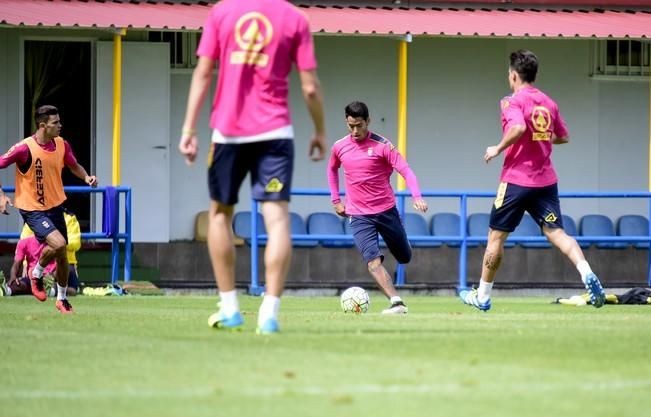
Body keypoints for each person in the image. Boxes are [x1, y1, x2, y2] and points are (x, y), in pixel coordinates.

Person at [178, 0, 327, 334]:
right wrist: (320, 131)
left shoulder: (221, 12)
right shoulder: (295, 18)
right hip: (276, 135)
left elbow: (203, 72)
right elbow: (311, 87)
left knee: (219, 214)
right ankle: (269, 313)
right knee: (277, 221)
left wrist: (189, 129)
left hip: (228, 135)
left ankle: (230, 307)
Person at [459, 50, 606, 311]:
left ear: (513, 75)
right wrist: (540, 139)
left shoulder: (511, 101)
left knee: (496, 237)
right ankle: (586, 274)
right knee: (557, 233)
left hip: (516, 180)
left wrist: (497, 148)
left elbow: (518, 128)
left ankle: (482, 295)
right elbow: (563, 136)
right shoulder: (548, 102)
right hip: (546, 182)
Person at [327, 101, 428, 314]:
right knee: (372, 262)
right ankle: (397, 302)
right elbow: (331, 169)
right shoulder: (339, 147)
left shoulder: (383, 146)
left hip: (386, 211)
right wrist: (336, 200)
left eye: (359, 125)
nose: (355, 131)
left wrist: (416, 196)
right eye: (351, 125)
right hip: (358, 215)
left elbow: (406, 171)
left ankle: (403, 242)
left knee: (404, 257)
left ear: (368, 122)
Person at [0, 105, 97, 313]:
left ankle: (61, 299)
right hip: (32, 210)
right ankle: (37, 274)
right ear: (43, 126)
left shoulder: (62, 145)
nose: (60, 125)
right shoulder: (24, 148)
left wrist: (86, 177)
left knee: (61, 254)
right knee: (60, 244)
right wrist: (1, 195)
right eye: (56, 123)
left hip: (55, 207)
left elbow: (74, 165)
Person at [20, 207, 81, 296]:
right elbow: (24, 242)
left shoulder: (69, 218)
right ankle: (8, 289)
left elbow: (76, 243)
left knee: (72, 289)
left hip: (64, 262)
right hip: (38, 262)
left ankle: (51, 289)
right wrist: (25, 263)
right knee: (25, 282)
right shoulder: (34, 217)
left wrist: (55, 241)